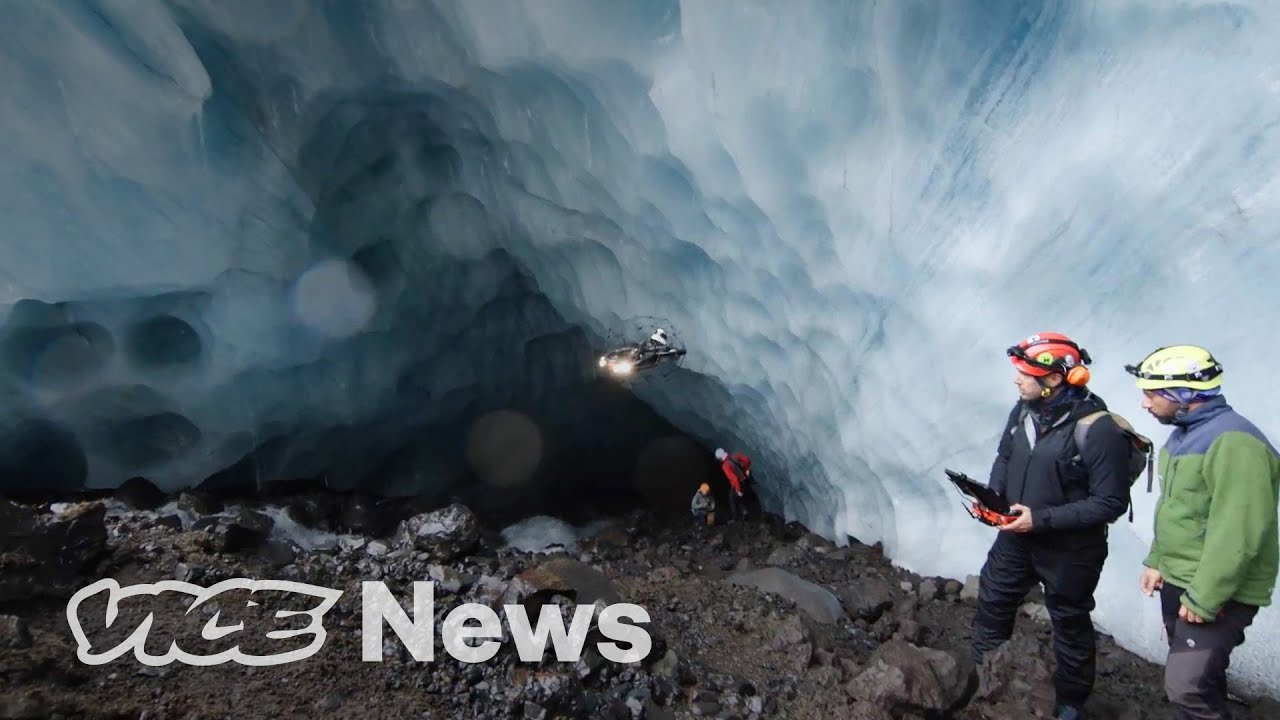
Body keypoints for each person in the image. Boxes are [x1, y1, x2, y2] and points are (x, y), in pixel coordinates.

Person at [971, 332, 1134, 720]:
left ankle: (1069, 704)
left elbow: (1110, 502)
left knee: (1069, 620)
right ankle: (986, 678)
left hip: (1070, 550)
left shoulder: (1097, 430)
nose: (1016, 380)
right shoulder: (1024, 410)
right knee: (993, 600)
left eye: (1025, 373)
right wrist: (993, 498)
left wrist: (1039, 520)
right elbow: (1006, 456)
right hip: (1017, 537)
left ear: (1054, 380)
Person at [1127, 345, 1279, 720]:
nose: (1144, 404)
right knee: (1202, 682)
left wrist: (1205, 599)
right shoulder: (1184, 434)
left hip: (1217, 589)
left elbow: (1239, 533)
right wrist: (1158, 560)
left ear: (1183, 394)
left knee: (1186, 690)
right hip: (1182, 579)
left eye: (1150, 393)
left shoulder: (1235, 443)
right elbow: (1179, 509)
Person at [715, 447, 751, 522]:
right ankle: (744, 512)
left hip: (737, 484)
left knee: (732, 499)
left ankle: (735, 518)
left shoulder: (725, 465)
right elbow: (747, 460)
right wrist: (746, 469)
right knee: (739, 498)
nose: (719, 460)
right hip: (745, 480)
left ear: (720, 458)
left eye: (718, 459)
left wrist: (738, 490)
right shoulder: (735, 455)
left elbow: (734, 478)